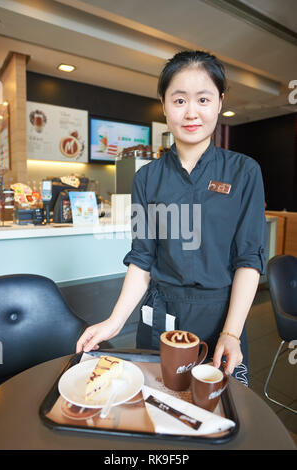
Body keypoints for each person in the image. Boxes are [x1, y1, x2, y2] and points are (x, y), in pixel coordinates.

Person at [76, 50, 267, 386]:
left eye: (203, 99)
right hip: (160, 317)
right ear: (164, 106)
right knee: (156, 404)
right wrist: (114, 321)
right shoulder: (146, 178)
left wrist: (232, 334)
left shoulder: (244, 171)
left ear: (219, 102)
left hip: (222, 317)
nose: (191, 112)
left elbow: (249, 260)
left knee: (221, 415)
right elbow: (142, 258)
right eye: (179, 100)